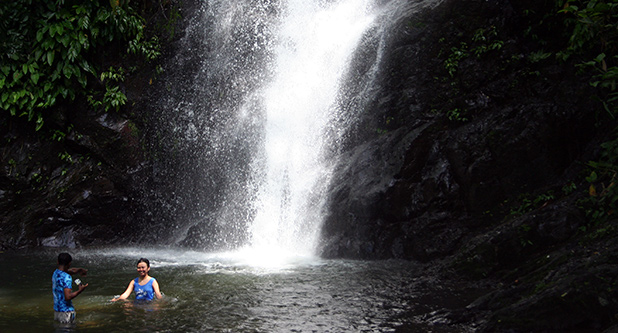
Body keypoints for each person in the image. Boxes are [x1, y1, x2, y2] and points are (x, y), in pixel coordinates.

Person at [52, 252, 88, 324]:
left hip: (57, 310)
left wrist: (80, 270)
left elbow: (70, 271)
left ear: (58, 262)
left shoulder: (55, 273)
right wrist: (80, 291)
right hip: (66, 312)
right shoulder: (67, 277)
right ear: (69, 264)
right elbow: (68, 297)